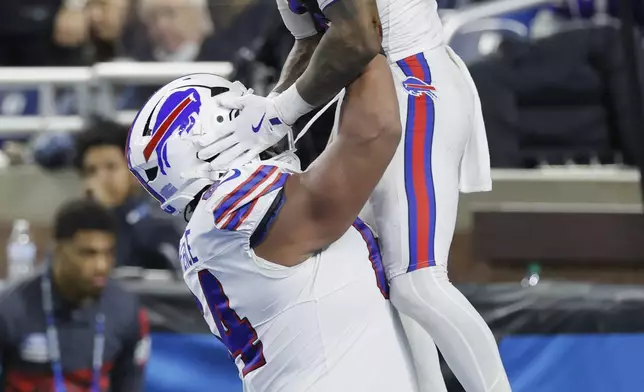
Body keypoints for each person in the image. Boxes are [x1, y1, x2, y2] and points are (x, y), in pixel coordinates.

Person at [212, 0, 512, 391]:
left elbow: (360, 36)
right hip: (375, 95)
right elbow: (312, 42)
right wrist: (269, 113)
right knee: (385, 278)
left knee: (419, 280)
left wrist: (279, 114)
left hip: (417, 82)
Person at [125, 60, 418, 390]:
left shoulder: (213, 224)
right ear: (205, 141)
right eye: (236, 110)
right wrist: (373, 40)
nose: (254, 107)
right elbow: (375, 131)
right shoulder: (233, 207)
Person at [0, 199, 149, 391]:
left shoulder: (126, 310)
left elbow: (129, 384)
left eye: (108, 253)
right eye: (88, 253)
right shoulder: (11, 310)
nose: (101, 266)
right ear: (59, 251)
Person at [74, 118, 182, 270]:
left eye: (111, 167)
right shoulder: (77, 224)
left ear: (133, 172)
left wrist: (112, 212)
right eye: (91, 171)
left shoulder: (161, 214)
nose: (101, 179)